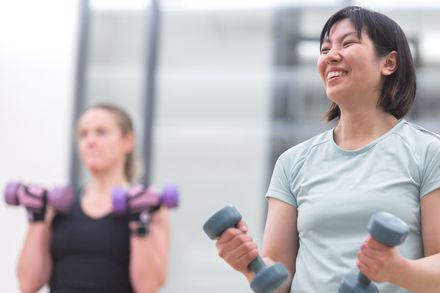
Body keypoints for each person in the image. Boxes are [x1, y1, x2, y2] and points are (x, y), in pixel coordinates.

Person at [215, 6, 440, 293]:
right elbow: (279, 280)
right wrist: (249, 265)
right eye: (324, 48)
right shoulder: (292, 162)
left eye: (348, 43)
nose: (331, 55)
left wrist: (397, 271)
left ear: (389, 63)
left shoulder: (428, 152)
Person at [17, 103, 169, 293]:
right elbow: (28, 284)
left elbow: (148, 287)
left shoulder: (149, 208)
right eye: (83, 134)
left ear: (128, 141)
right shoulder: (60, 208)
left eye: (101, 132)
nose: (90, 141)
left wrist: (140, 223)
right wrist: (38, 220)